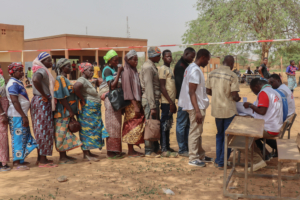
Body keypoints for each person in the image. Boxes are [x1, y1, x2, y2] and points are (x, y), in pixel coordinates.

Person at [178, 49, 213, 167]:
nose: (208, 62)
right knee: (195, 131)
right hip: (195, 107)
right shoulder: (194, 71)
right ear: (202, 57)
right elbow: (192, 92)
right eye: (207, 59)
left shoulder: (192, 68)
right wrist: (197, 110)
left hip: (196, 105)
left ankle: (200, 155)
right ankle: (193, 158)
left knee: (198, 131)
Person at [206, 55, 241, 170]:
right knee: (228, 137)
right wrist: (238, 99)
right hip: (229, 110)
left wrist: (217, 95)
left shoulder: (212, 73)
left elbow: (208, 90)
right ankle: (222, 162)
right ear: (231, 64)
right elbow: (235, 95)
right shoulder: (232, 75)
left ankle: (218, 160)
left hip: (217, 109)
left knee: (219, 134)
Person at [243, 78, 283, 171]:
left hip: (268, 128)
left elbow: (262, 111)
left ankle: (257, 161)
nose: (254, 92)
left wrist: (250, 105)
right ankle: (261, 157)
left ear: (257, 86)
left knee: (242, 138)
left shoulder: (264, 93)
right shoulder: (274, 92)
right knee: (249, 134)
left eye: (253, 90)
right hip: (274, 126)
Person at [73, 62, 108, 161]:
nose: (92, 72)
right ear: (83, 71)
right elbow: (76, 87)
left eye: (93, 70)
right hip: (87, 111)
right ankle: (86, 154)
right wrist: (82, 99)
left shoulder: (87, 80)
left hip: (93, 111)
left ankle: (88, 152)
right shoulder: (82, 80)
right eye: (90, 70)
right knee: (86, 131)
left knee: (91, 131)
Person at [6, 63, 37, 170]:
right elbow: (15, 101)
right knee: (18, 138)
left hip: (20, 115)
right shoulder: (12, 84)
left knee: (24, 137)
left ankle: (21, 159)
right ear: (13, 72)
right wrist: (23, 116)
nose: (22, 72)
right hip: (17, 116)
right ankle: (16, 162)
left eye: (21, 70)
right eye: (19, 70)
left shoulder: (17, 82)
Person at [53, 58, 82, 164]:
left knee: (65, 133)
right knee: (61, 134)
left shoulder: (65, 79)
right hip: (62, 112)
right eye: (68, 66)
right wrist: (70, 110)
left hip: (66, 111)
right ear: (61, 68)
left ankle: (65, 155)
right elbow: (61, 97)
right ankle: (62, 157)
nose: (70, 68)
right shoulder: (60, 79)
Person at [31, 52, 57, 168]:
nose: (51, 63)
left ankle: (41, 158)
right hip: (42, 102)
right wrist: (44, 95)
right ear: (42, 62)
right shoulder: (41, 70)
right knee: (43, 130)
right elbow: (36, 80)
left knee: (41, 129)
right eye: (48, 60)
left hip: (40, 101)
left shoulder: (42, 70)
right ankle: (42, 161)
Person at [121, 50, 145, 157]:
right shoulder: (126, 72)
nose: (136, 62)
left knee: (137, 125)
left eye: (137, 60)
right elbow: (128, 90)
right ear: (128, 60)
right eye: (134, 60)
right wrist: (135, 105)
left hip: (137, 102)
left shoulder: (134, 70)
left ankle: (133, 149)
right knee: (131, 125)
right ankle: (130, 151)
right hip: (131, 104)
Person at [102, 50, 124, 159]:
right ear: (109, 60)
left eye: (118, 60)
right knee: (111, 126)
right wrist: (119, 72)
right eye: (115, 60)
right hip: (111, 101)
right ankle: (110, 152)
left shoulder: (113, 69)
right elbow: (112, 86)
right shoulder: (107, 70)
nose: (117, 62)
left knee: (116, 125)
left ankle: (117, 150)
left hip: (115, 100)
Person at [140, 47, 162, 158]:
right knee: (150, 125)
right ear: (153, 55)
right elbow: (149, 88)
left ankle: (154, 148)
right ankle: (148, 150)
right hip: (150, 100)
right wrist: (152, 106)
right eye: (159, 55)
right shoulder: (148, 67)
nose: (160, 57)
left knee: (154, 124)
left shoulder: (151, 66)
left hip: (152, 100)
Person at [174, 47, 196, 157]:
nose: (192, 59)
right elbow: (180, 85)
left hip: (188, 99)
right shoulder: (180, 66)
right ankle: (182, 149)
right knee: (181, 124)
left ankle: (186, 146)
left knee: (187, 124)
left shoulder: (186, 65)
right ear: (186, 54)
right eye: (191, 57)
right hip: (184, 99)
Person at [158, 49, 178, 158]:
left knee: (168, 125)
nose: (169, 58)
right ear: (163, 58)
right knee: (164, 125)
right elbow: (162, 87)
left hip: (171, 102)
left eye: (170, 56)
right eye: (167, 56)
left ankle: (167, 146)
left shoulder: (169, 69)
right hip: (166, 102)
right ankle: (164, 149)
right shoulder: (162, 69)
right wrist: (170, 102)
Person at [0, 73, 10, 171]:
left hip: (3, 108)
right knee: (2, 137)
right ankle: (2, 163)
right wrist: (2, 113)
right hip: (1, 111)